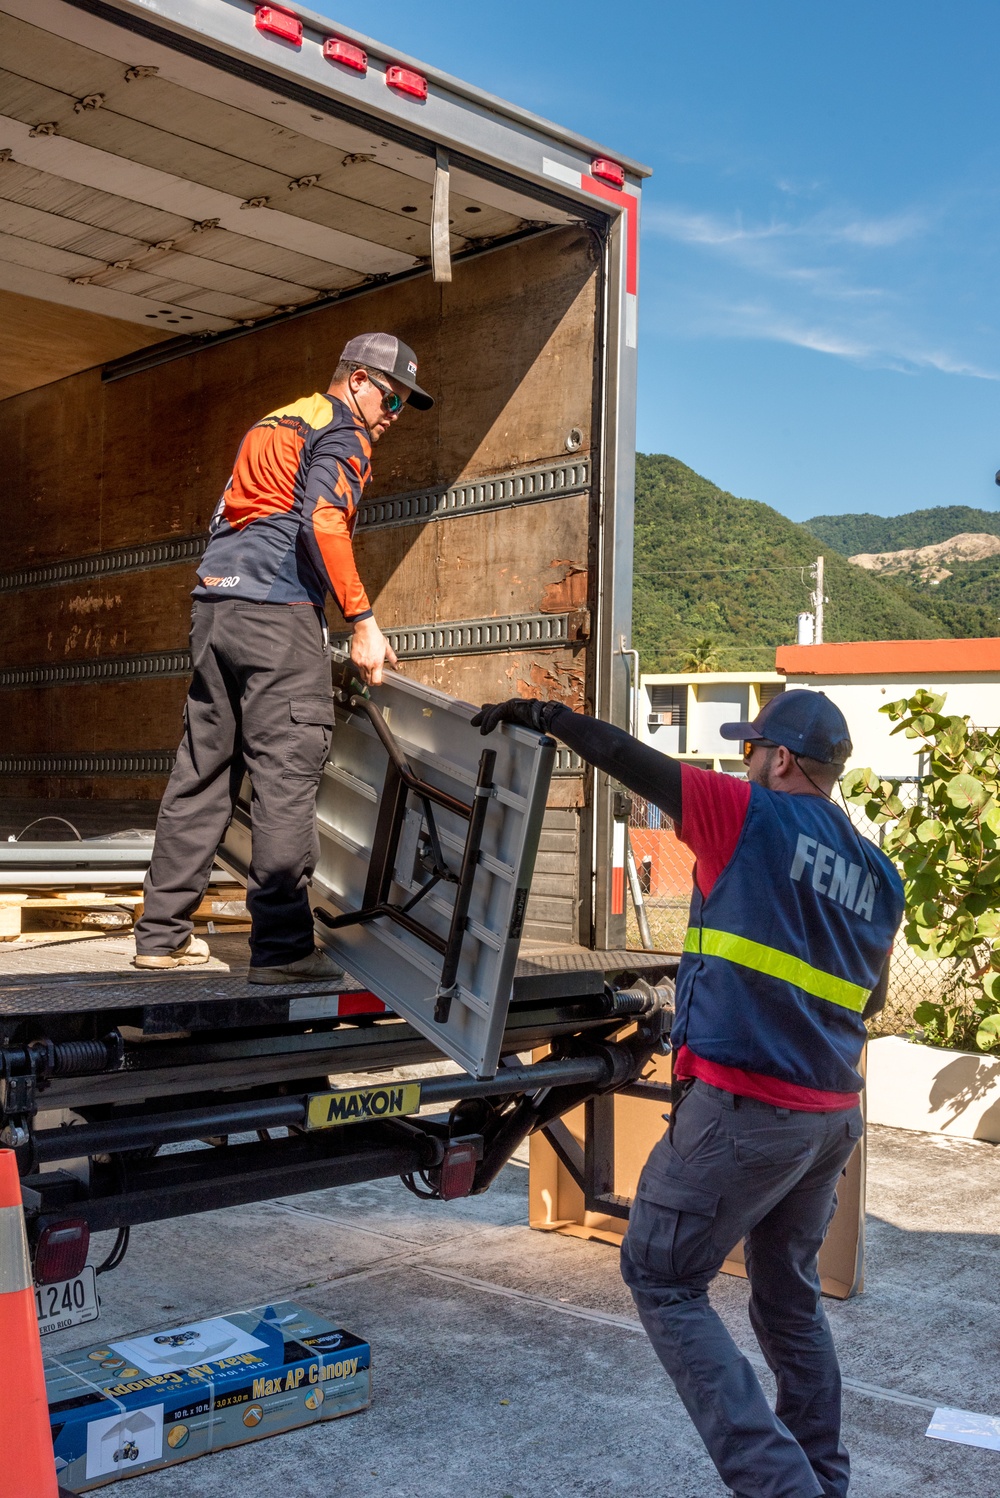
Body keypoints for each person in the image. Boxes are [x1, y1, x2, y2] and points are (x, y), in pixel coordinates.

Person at [472, 689, 904, 1498]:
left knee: (664, 1278)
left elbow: (641, 765)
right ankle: (822, 1478)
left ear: (778, 758)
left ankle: (783, 1489)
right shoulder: (881, 874)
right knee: (788, 1298)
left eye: (752, 749)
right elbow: (870, 1001)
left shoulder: (749, 815)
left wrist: (549, 718)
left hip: (745, 1111)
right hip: (830, 1121)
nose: (745, 761)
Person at [134, 333, 433, 981]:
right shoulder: (343, 431)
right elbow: (322, 520)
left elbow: (237, 515)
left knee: (202, 770)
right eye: (391, 398)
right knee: (287, 771)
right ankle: (282, 950)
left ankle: (160, 935)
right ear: (357, 381)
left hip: (215, 605)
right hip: (277, 611)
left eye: (402, 407)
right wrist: (362, 621)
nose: (391, 417)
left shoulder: (276, 421)